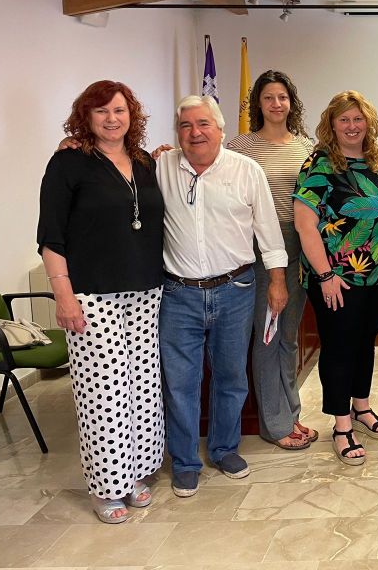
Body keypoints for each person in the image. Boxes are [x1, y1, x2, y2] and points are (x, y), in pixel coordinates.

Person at [37, 80, 165, 524]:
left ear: (133, 116)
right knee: (103, 392)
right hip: (92, 295)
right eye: (102, 111)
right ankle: (107, 487)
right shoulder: (68, 162)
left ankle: (136, 474)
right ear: (85, 117)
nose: (112, 119)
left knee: (142, 387)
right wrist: (64, 296)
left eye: (120, 110)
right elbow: (50, 236)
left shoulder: (145, 162)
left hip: (146, 290)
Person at [156, 95, 288, 497]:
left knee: (231, 376)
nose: (195, 133)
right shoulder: (160, 167)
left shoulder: (246, 170)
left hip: (236, 290)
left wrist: (278, 281)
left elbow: (269, 232)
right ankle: (185, 461)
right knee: (181, 382)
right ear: (177, 132)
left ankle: (225, 449)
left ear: (220, 128)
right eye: (185, 125)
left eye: (203, 124)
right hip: (179, 294)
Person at [293, 91, 378, 465]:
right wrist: (325, 275)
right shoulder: (320, 165)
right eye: (344, 120)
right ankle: (341, 425)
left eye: (358, 119)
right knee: (339, 347)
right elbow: (305, 224)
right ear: (332, 124)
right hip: (336, 277)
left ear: (368, 123)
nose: (352, 126)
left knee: (364, 342)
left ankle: (361, 406)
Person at [227, 70, 317, 451]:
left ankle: (291, 413)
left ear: (291, 102)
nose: (276, 104)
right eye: (268, 97)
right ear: (258, 104)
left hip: (300, 244)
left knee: (289, 337)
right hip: (261, 248)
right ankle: (275, 424)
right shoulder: (240, 146)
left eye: (282, 97)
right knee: (268, 336)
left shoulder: (306, 146)